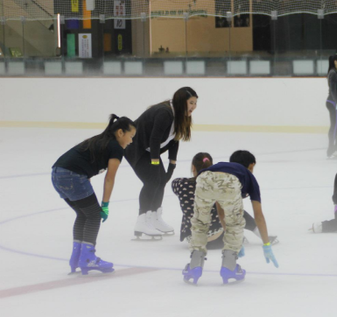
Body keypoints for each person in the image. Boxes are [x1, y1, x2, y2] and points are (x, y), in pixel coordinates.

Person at [52, 115, 136, 275]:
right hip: (72, 176)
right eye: (131, 136)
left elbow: (83, 163)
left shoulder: (99, 140)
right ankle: (88, 258)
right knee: (94, 216)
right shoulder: (116, 148)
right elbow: (110, 178)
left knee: (83, 215)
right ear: (120, 133)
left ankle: (76, 257)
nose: (131, 141)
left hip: (57, 174)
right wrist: (104, 205)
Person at [182, 150, 278, 285]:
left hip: (203, 178)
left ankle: (194, 266)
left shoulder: (219, 167)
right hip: (230, 183)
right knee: (235, 224)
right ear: (251, 166)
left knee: (200, 222)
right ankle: (229, 266)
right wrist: (266, 244)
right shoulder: (248, 176)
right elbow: (258, 215)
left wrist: (229, 236)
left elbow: (221, 212)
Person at [126, 87, 198, 239]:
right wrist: (154, 162)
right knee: (152, 181)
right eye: (191, 102)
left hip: (150, 150)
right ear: (181, 101)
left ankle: (154, 217)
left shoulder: (181, 115)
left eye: (195, 104)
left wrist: (172, 164)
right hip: (134, 147)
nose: (193, 107)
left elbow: (175, 140)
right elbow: (154, 138)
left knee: (160, 181)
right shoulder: (164, 113)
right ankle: (142, 220)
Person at [172, 152, 278, 249]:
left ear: (193, 167)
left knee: (194, 206)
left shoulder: (180, 183)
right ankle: (259, 234)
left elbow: (176, 188)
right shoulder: (221, 184)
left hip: (194, 239)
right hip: (218, 239)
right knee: (232, 206)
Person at [326, 54, 337, 158]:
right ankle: (331, 149)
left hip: (334, 102)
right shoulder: (333, 73)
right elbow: (333, 90)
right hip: (333, 102)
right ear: (335, 62)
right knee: (335, 125)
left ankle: (336, 148)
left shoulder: (335, 72)